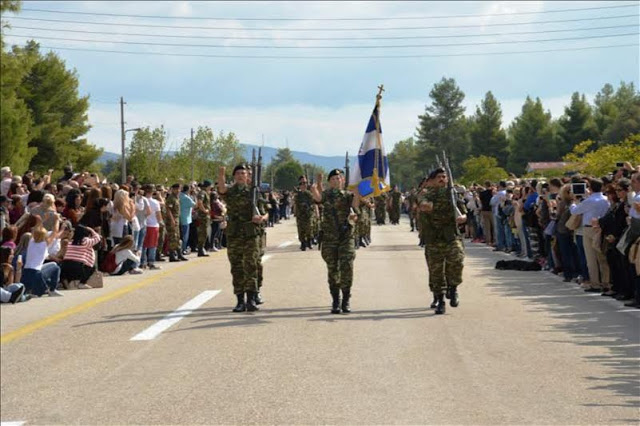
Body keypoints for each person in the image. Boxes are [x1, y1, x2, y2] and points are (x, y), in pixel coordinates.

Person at [217, 164, 268, 312]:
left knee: (251, 265)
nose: (241, 175)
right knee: (237, 267)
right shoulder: (230, 192)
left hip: (250, 234)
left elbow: (266, 212)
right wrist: (221, 173)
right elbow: (221, 189)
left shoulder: (254, 192)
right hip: (234, 234)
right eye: (238, 173)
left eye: (243, 173)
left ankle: (251, 299)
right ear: (234, 176)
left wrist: (261, 218)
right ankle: (240, 300)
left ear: (248, 176)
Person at [310, 169, 360, 314]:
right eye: (333, 179)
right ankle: (335, 300)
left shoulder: (347, 195)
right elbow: (318, 199)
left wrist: (356, 191)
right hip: (330, 238)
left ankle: (345, 299)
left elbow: (356, 206)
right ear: (329, 182)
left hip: (346, 237)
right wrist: (315, 186)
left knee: (347, 267)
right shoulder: (327, 195)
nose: (336, 181)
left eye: (339, 178)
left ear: (343, 180)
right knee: (333, 269)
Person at [419, 168, 467, 315]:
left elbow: (464, 212)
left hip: (451, 236)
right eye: (439, 177)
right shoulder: (427, 194)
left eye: (444, 176)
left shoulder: (453, 194)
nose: (442, 179)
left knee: (457, 261)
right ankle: (440, 300)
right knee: (436, 271)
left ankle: (453, 288)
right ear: (432, 180)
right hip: (433, 238)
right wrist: (427, 206)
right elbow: (423, 204)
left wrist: (463, 218)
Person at [60, 224, 101, 289]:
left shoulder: (70, 242)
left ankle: (66, 283)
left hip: (65, 267)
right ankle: (82, 283)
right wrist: (91, 230)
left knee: (70, 265)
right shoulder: (85, 241)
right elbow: (97, 238)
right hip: (77, 268)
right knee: (92, 267)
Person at [165, 183, 188, 262]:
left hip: (177, 220)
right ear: (173, 189)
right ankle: (172, 255)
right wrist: (172, 220)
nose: (178, 191)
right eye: (177, 189)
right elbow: (168, 210)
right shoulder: (171, 198)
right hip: (172, 220)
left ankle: (179, 254)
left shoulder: (176, 198)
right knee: (172, 237)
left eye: (179, 189)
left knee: (177, 237)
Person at [293, 176, 314, 251]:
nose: (303, 185)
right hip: (300, 215)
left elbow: (313, 203)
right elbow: (295, 204)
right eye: (301, 183)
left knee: (309, 228)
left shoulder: (309, 194)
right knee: (301, 229)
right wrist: (295, 212)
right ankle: (303, 243)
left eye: (305, 183)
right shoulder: (297, 195)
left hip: (308, 214)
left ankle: (309, 240)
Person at [196, 180, 212, 257]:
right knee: (203, 232)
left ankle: (201, 248)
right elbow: (199, 202)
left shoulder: (205, 193)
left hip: (205, 216)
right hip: (203, 216)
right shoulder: (202, 192)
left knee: (205, 232)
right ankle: (200, 249)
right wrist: (204, 210)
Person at [179, 184, 196, 255]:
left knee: (180, 235)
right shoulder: (186, 198)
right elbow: (195, 205)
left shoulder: (179, 195)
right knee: (185, 236)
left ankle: (180, 249)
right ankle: (183, 249)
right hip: (186, 219)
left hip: (179, 218)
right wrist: (194, 196)